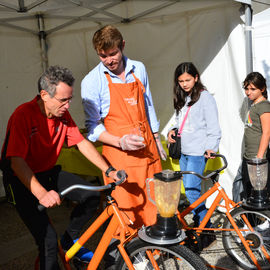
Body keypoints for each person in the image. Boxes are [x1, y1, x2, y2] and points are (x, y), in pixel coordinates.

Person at [0, 65, 125, 270]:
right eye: (63, 100)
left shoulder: (62, 115)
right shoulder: (23, 115)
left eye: (70, 99)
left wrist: (109, 170)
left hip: (47, 171)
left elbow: (81, 143)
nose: (67, 105)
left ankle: (69, 240)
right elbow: (17, 161)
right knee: (48, 242)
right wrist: (42, 194)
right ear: (44, 95)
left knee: (91, 195)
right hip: (20, 179)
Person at [81, 25, 167, 230]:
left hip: (148, 150)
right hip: (120, 157)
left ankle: (156, 252)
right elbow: (92, 128)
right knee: (128, 210)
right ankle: (132, 258)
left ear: (123, 46)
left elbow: (148, 105)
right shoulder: (92, 82)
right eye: (103, 56)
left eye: (113, 54)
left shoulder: (139, 68)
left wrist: (156, 137)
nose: (109, 60)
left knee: (155, 201)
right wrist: (120, 141)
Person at [167, 62, 221, 248]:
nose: (184, 84)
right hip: (183, 152)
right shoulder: (184, 97)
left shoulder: (205, 97)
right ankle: (205, 228)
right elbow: (179, 121)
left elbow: (214, 127)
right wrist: (172, 131)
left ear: (196, 77)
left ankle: (206, 229)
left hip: (198, 153)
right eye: (180, 81)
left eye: (188, 79)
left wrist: (211, 147)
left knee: (191, 192)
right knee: (192, 192)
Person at [241, 72, 270, 199]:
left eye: (253, 89)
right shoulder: (254, 105)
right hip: (249, 157)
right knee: (249, 193)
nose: (248, 92)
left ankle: (260, 219)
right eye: (246, 88)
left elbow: (267, 132)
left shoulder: (264, 106)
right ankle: (249, 218)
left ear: (262, 89)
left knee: (258, 195)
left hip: (258, 160)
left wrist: (259, 157)